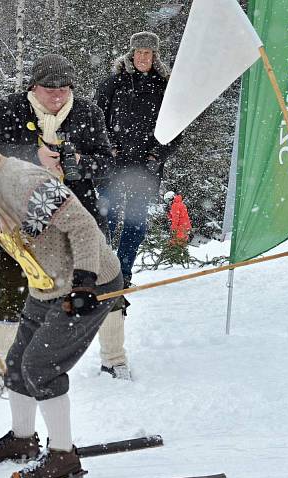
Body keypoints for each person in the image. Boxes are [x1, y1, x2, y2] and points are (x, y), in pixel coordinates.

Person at [0, 120, 123, 478]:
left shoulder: (22, 180)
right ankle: (22, 439)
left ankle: (63, 456)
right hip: (46, 284)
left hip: (89, 284)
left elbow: (81, 225)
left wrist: (84, 282)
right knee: (16, 364)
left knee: (41, 365)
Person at [0, 53, 125, 399]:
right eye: (50, 89)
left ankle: (115, 359)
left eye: (65, 89)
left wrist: (78, 162)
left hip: (77, 220)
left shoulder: (88, 112)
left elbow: (108, 163)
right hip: (19, 221)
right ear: (33, 87)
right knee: (11, 294)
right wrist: (32, 157)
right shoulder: (10, 109)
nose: (58, 96)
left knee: (103, 286)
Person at [94, 31, 181, 287]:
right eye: (139, 52)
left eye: (148, 53)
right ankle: (103, 270)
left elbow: (176, 131)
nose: (143, 57)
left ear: (155, 56)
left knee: (135, 223)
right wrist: (109, 147)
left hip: (145, 166)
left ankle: (124, 273)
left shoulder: (166, 88)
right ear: (131, 54)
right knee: (105, 217)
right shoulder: (113, 83)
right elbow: (95, 119)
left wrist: (157, 155)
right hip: (113, 163)